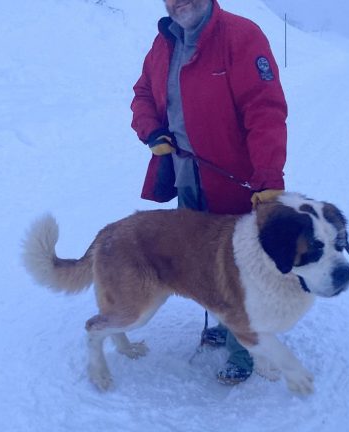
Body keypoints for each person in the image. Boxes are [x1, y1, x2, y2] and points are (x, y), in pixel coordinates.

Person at [130, 0, 288, 385]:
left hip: (237, 184)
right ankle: (221, 323)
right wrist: (151, 130)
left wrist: (267, 178)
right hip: (187, 177)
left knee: (240, 270)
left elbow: (265, 111)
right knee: (202, 260)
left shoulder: (241, 36)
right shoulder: (163, 42)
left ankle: (243, 352)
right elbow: (142, 95)